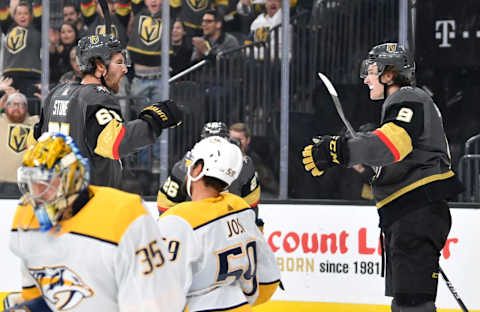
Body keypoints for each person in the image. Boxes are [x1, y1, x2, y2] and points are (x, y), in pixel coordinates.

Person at [301, 43, 464, 312]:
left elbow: (392, 145)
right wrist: (356, 155)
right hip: (411, 213)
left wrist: (339, 150)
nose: (366, 78)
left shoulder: (408, 98)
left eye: (372, 70)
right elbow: (398, 159)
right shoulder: (409, 102)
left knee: (412, 305)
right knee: (406, 303)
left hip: (417, 213)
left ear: (389, 74)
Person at [2, 132, 185, 311]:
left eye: (46, 183)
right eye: (32, 183)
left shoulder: (126, 216)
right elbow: (42, 297)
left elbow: (157, 303)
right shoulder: (26, 217)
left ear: (70, 178)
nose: (37, 193)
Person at [33, 33, 183, 189]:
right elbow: (116, 142)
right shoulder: (94, 97)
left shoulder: (56, 93)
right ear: (100, 67)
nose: (125, 69)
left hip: (58, 195)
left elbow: (34, 139)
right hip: (90, 199)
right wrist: (155, 120)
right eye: (119, 62)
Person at [158, 136, 281, 311]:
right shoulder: (241, 209)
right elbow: (269, 281)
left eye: (190, 164)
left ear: (198, 169)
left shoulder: (178, 220)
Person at [157, 121, 260, 216]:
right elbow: (166, 203)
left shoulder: (243, 164)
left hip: (229, 223)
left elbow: (252, 204)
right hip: (196, 223)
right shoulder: (185, 166)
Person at [0, 0, 42, 112]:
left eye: (25, 13)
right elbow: (2, 8)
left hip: (31, 76)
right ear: (14, 16)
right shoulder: (8, 27)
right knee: (8, 110)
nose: (22, 16)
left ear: (31, 16)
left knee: (31, 111)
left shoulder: (37, 27)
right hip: (9, 77)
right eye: (19, 13)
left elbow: (39, 7)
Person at [0, 92, 39, 196]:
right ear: (5, 106)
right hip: (2, 183)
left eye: (21, 105)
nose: (16, 108)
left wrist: (48, 100)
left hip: (26, 184)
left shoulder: (35, 122)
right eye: (12, 104)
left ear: (27, 108)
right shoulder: (1, 120)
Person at [230, 122, 278, 196]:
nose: (236, 143)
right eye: (232, 140)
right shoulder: (223, 158)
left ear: (248, 140)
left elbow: (271, 186)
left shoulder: (254, 160)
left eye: (239, 140)